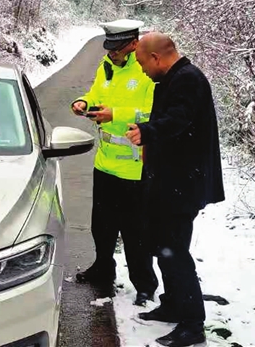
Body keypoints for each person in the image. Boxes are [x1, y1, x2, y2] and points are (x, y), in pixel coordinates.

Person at [125, 32, 225, 347]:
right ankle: (172, 305)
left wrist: (147, 132)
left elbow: (178, 120)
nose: (140, 69)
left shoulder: (188, 80)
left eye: (141, 62)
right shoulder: (173, 79)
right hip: (168, 183)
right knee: (164, 248)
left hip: (182, 185)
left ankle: (193, 323)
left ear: (156, 58)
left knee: (175, 253)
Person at [70, 19, 158, 307]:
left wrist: (115, 114)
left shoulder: (146, 72)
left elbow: (153, 113)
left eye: (117, 48)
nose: (111, 53)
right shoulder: (106, 66)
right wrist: (84, 102)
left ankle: (144, 285)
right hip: (104, 162)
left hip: (134, 167)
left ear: (133, 43)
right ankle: (103, 269)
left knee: (136, 233)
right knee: (102, 226)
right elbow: (97, 92)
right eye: (108, 48)